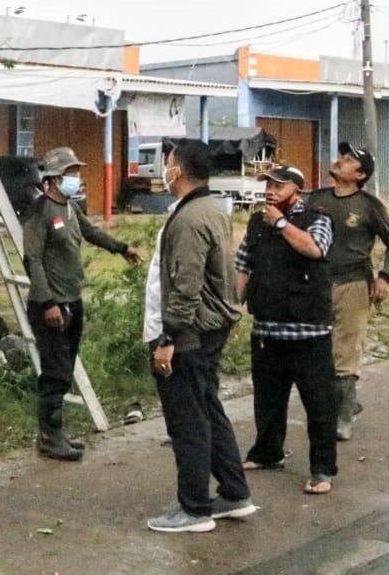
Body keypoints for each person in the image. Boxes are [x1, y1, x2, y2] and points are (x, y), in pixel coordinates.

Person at [144, 140, 254, 534]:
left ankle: (194, 509)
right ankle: (234, 493)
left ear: (181, 171)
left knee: (188, 420)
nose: (164, 169)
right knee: (208, 409)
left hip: (188, 333)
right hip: (209, 327)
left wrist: (167, 337)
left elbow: (186, 285)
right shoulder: (210, 208)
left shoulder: (191, 218)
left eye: (168, 163)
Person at [23, 145, 141, 461]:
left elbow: (90, 233)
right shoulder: (40, 211)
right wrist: (47, 302)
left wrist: (121, 248)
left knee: (65, 365)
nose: (76, 177)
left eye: (76, 171)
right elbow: (32, 259)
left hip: (72, 301)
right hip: (50, 305)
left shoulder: (71, 208)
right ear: (52, 179)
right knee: (56, 371)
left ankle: (55, 433)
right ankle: (49, 436)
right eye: (70, 173)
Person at [234, 165, 338, 495]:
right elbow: (243, 264)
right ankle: (267, 452)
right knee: (267, 399)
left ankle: (322, 469)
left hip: (309, 331)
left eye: (279, 185)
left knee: (319, 403)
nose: (270, 190)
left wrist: (280, 223)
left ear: (297, 190)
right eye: (268, 184)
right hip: (267, 328)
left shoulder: (317, 218)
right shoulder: (256, 222)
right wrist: (237, 300)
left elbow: (315, 249)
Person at [306, 142, 389, 441]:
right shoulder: (317, 199)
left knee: (345, 351)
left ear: (360, 175)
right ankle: (342, 402)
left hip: (353, 284)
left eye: (347, 161)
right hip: (317, 283)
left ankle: (343, 417)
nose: (339, 161)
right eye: (341, 157)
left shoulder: (368, 206)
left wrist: (385, 276)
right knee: (316, 350)